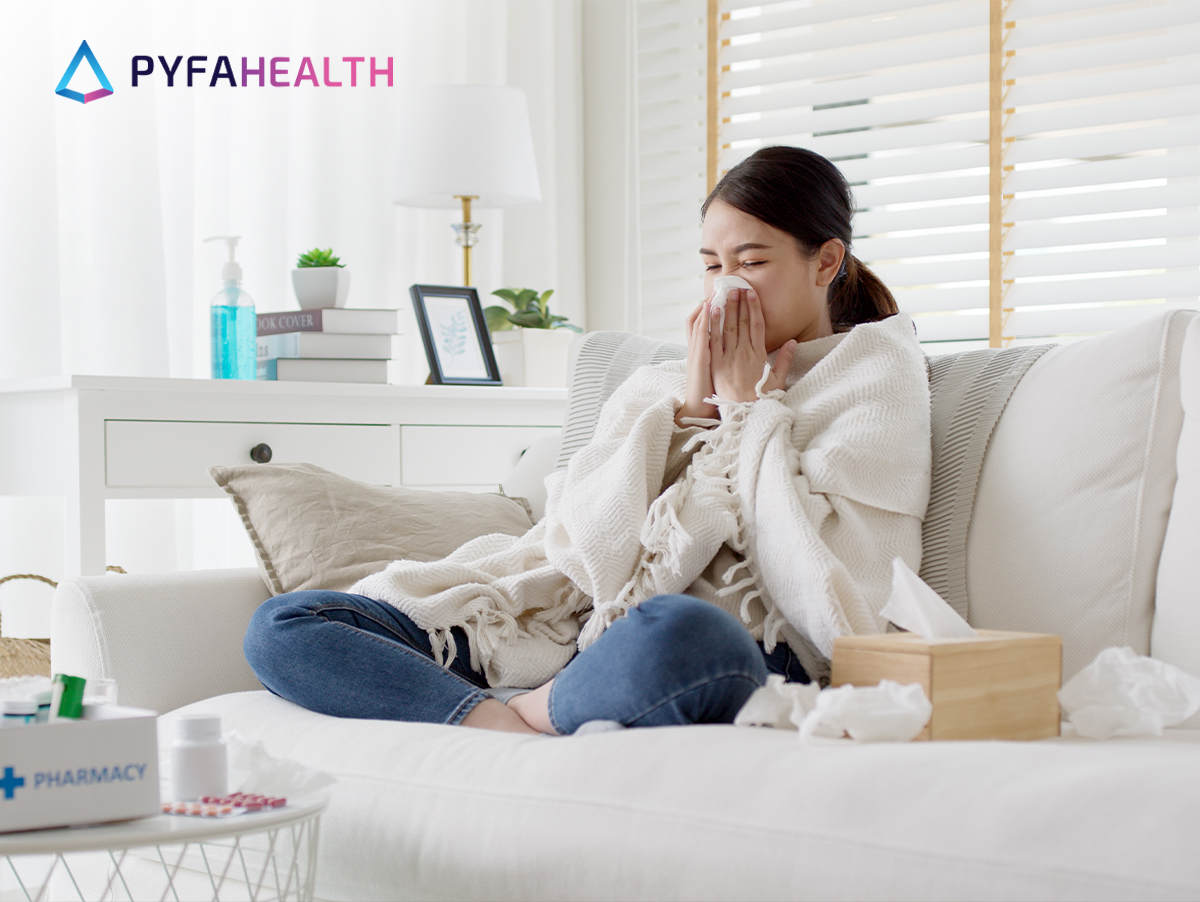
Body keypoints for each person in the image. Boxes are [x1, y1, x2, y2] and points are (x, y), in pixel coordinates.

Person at [243, 146, 931, 736]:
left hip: (733, 647)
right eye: (711, 266)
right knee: (283, 625)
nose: (727, 290)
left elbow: (829, 597)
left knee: (688, 633)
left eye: (750, 262)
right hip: (572, 637)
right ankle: (494, 721)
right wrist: (693, 410)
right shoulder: (658, 384)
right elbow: (585, 552)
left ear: (825, 262)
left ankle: (547, 706)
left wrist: (749, 410)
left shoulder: (872, 374)